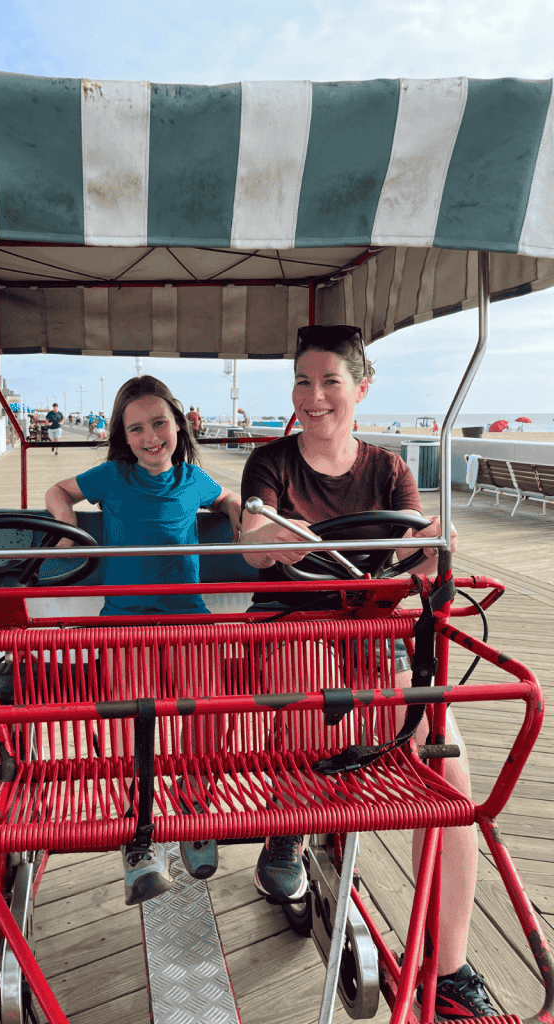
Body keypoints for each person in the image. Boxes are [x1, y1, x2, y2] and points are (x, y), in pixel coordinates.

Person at [238, 324, 494, 1020]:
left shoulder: (386, 470)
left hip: (373, 630)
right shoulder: (271, 464)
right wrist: (278, 539)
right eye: (302, 381)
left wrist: (432, 553)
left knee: (450, 760)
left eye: (328, 381)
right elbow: (253, 549)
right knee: (318, 696)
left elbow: (409, 562)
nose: (313, 396)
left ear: (360, 388)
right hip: (292, 626)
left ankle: (450, 964)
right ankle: (295, 825)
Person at [45, 375, 241, 906]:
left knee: (209, 714)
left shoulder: (193, 477)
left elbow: (227, 498)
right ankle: (140, 833)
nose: (150, 436)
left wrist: (237, 517)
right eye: (137, 428)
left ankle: (194, 808)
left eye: (159, 423)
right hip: (125, 623)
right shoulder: (112, 476)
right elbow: (59, 491)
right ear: (123, 436)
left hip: (187, 621)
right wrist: (67, 529)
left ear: (179, 424)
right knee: (132, 724)